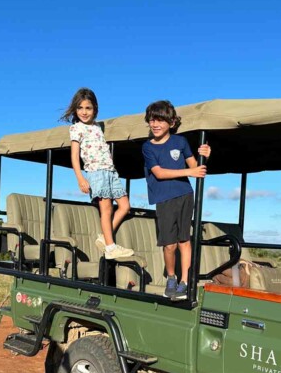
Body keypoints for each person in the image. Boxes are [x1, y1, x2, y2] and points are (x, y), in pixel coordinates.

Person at [142, 100, 210, 300]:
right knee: (169, 245)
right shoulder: (148, 147)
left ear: (171, 123)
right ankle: (171, 277)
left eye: (160, 120)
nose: (155, 124)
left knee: (184, 241)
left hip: (185, 195)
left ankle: (185, 281)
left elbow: (196, 167)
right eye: (152, 120)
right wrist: (189, 171)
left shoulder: (180, 142)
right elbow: (159, 173)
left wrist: (205, 156)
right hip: (164, 199)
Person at [61, 88, 133, 259]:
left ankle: (104, 237)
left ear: (95, 109)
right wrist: (80, 178)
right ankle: (110, 247)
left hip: (111, 171)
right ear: (75, 110)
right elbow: (74, 156)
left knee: (125, 206)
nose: (84, 112)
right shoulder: (76, 128)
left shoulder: (98, 127)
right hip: (96, 172)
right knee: (106, 209)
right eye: (80, 108)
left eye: (88, 108)